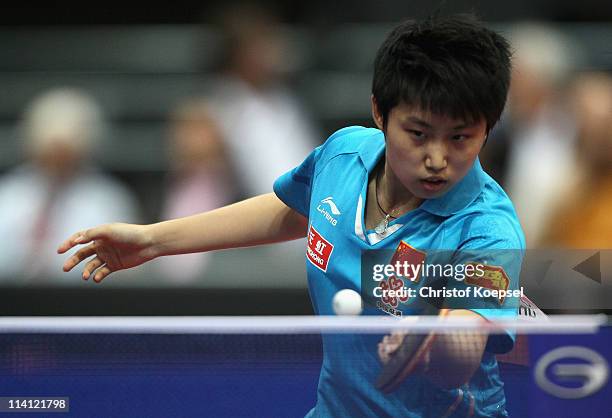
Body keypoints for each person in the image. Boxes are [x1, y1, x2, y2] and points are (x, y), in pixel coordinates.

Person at [58, 16, 524, 417]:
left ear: (489, 128)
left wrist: (432, 335)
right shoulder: (345, 155)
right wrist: (153, 241)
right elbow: (292, 209)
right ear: (380, 112)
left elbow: (463, 349)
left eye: (460, 138)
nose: (437, 158)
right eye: (418, 133)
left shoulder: (486, 228)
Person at [0, 88, 139, 283]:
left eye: (66, 149)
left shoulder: (108, 199)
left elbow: (121, 271)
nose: (57, 157)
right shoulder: (7, 193)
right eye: (49, 146)